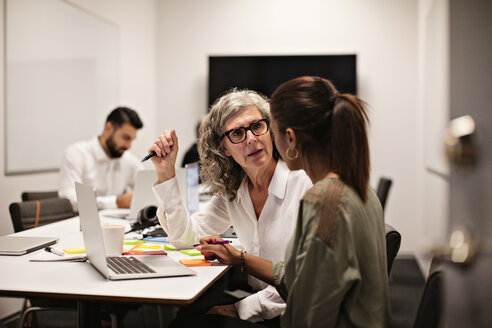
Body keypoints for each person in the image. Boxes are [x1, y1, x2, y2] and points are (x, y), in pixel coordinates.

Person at [188, 76, 391, 327]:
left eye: (266, 127)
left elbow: (308, 308)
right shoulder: (354, 186)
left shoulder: (323, 200)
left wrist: (241, 307)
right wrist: (239, 258)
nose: (258, 138)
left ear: (291, 139)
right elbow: (301, 277)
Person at [148, 89, 312, 324]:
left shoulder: (304, 185)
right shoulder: (235, 190)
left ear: (271, 130)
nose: (251, 139)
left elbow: (308, 278)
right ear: (223, 148)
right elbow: (185, 238)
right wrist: (165, 173)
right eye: (237, 133)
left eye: (257, 126)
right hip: (260, 300)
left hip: (296, 313)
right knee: (186, 318)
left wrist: (241, 309)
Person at [58, 106, 144, 212]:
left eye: (132, 140)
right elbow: (69, 201)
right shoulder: (76, 154)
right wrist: (116, 202)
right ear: (108, 128)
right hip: (81, 225)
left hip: (120, 225)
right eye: (126, 138)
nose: (128, 146)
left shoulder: (128, 159)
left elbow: (148, 187)